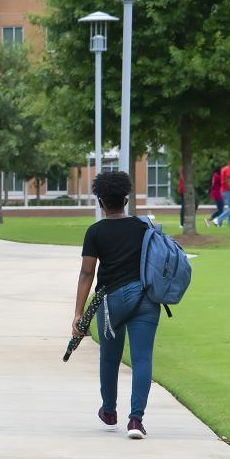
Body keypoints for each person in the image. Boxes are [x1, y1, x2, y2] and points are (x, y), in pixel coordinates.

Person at [73, 171, 159, 439]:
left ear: (100, 201)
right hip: (145, 300)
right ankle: (136, 420)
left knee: (110, 357)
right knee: (142, 358)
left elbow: (87, 273)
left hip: (111, 302)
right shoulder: (144, 227)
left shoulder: (96, 232)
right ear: (126, 198)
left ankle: (109, 411)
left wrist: (78, 313)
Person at [214, 159, 230, 227]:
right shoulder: (228, 169)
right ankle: (218, 219)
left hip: (223, 190)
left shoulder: (223, 169)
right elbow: (227, 181)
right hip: (227, 190)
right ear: (229, 161)